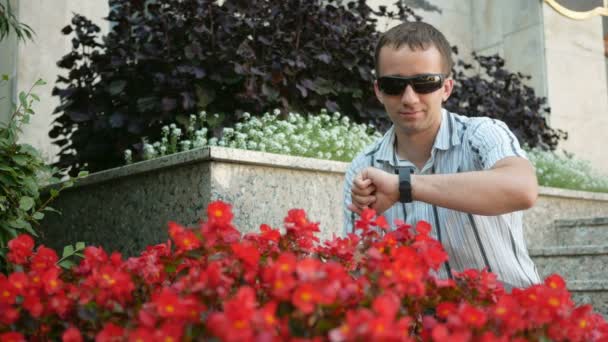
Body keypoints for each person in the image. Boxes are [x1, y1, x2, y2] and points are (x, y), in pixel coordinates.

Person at [343, 21, 541, 288]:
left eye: (425, 83)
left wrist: (404, 186)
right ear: (378, 90)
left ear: (446, 88)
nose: (410, 98)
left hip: (508, 315)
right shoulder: (363, 167)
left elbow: (523, 189)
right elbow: (356, 268)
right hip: (419, 324)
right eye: (393, 85)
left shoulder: (482, 134)